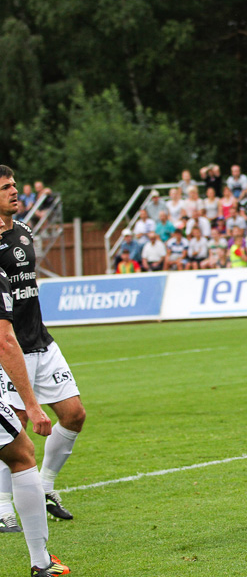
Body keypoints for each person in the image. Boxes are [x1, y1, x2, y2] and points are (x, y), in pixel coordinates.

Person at [0, 165, 86, 525]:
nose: (15, 191)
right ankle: (4, 508)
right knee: (14, 430)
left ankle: (46, 485)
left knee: (74, 414)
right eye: (6, 187)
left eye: (15, 185)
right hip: (10, 346)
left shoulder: (23, 231)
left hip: (41, 340)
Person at [0, 219, 70, 574]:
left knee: (21, 448)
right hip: (16, 353)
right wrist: (30, 402)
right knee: (21, 448)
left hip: (41, 342)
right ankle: (41, 563)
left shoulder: (23, 231)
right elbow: (4, 339)